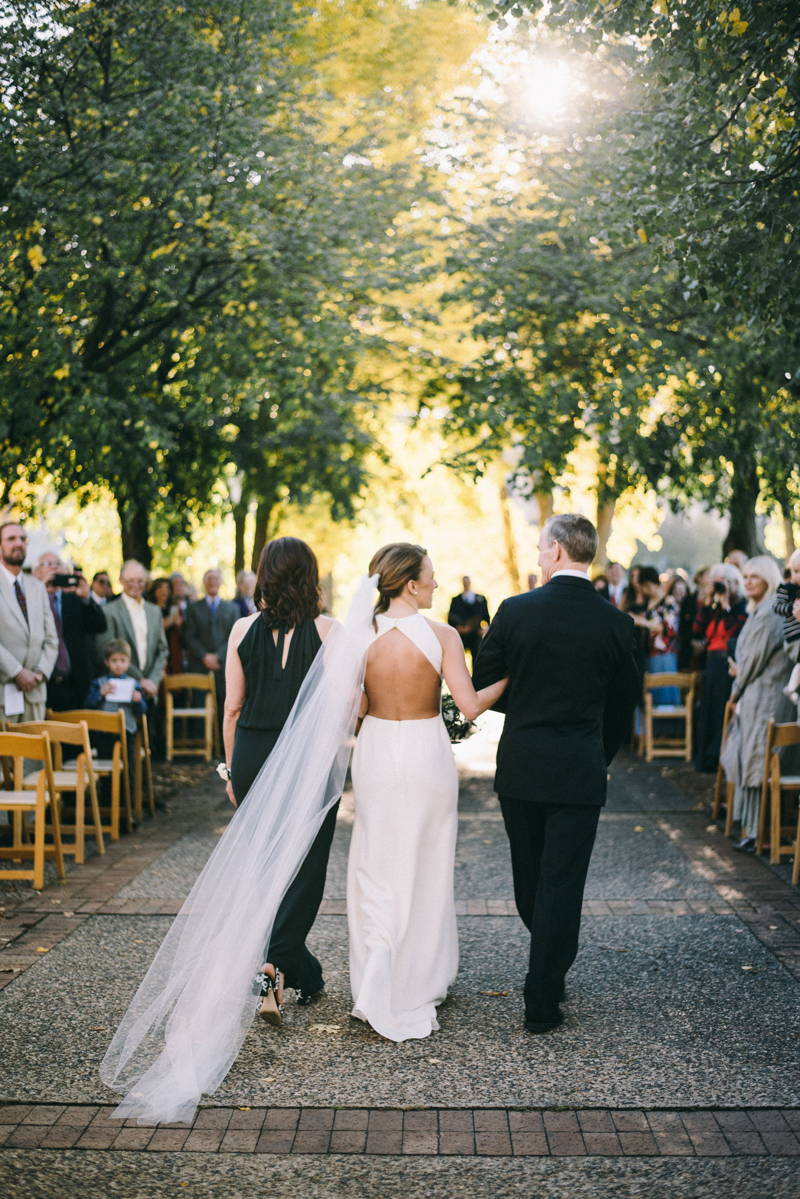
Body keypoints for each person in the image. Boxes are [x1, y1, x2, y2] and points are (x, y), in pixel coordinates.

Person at [473, 514, 639, 1033]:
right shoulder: (617, 623)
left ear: (560, 551)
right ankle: (551, 965)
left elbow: (486, 680)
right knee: (559, 885)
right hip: (579, 769)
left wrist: (529, 707)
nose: (539, 555)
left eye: (542, 547)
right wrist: (596, 751)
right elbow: (622, 708)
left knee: (531, 881)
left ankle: (540, 993)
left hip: (522, 765)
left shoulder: (516, 612)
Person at [348, 544, 506, 1042]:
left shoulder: (360, 635)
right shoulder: (442, 636)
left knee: (375, 860)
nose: (437, 585)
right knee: (427, 861)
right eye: (431, 578)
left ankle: (377, 969)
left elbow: (351, 709)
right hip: (425, 753)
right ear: (411, 585)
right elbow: (470, 705)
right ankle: (420, 974)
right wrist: (509, 676)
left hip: (374, 750)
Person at [223, 539, 339, 1012]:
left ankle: (301, 975)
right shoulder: (330, 631)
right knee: (306, 869)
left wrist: (231, 771)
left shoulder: (239, 630)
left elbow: (232, 706)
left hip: (251, 754)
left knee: (268, 866)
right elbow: (343, 706)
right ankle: (274, 964)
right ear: (310, 576)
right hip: (307, 761)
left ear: (264, 574)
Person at [730, 556, 793, 852]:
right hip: (759, 695)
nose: (748, 580)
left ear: (770, 578)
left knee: (761, 762)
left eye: (755, 575)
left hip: (765, 697)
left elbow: (752, 662)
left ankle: (761, 834)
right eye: (745, 576)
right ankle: (754, 830)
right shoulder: (762, 610)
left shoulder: (770, 613)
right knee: (757, 762)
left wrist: (735, 690)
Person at [33, 551, 107, 712]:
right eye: (47, 564)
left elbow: (100, 626)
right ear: (35, 573)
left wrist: (86, 598)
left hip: (77, 682)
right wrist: (40, 593)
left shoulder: (73, 598)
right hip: (44, 684)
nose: (54, 567)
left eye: (57, 564)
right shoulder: (32, 600)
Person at [0, 522, 58, 722]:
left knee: (35, 752)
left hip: (35, 691)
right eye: (11, 538)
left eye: (22, 539)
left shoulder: (37, 587)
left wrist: (39, 673)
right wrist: (17, 672)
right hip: (3, 689)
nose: (19, 543)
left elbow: (52, 638)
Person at [692, 563, 747, 772]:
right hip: (712, 663)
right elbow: (697, 629)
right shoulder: (713, 608)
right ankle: (706, 757)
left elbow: (732, 630)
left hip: (728, 663)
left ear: (734, 584)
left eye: (722, 582)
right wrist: (707, 602)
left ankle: (718, 755)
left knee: (721, 709)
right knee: (709, 709)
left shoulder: (741, 606)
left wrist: (725, 603)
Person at [96, 561, 169, 703]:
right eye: (130, 580)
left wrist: (152, 681)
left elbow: (163, 650)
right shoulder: (108, 611)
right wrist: (140, 680)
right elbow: (106, 650)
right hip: (121, 689)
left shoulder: (154, 611)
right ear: (121, 581)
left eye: (140, 581)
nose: (135, 584)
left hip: (151, 689)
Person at [184, 569, 239, 740]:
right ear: (204, 582)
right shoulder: (193, 608)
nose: (212, 582)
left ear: (221, 582)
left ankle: (224, 745)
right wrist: (204, 656)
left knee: (225, 705)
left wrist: (218, 656)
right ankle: (202, 742)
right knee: (200, 703)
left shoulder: (232, 608)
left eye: (216, 579)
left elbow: (235, 635)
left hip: (224, 666)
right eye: (208, 579)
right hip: (199, 665)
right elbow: (189, 636)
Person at [85, 638, 145, 791]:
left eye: (122, 660)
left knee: (127, 771)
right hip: (104, 735)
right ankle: (108, 808)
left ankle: (127, 809)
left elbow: (141, 711)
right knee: (107, 773)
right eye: (114, 660)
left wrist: (138, 700)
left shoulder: (134, 683)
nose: (118, 664)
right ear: (107, 662)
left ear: (128, 662)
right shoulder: (99, 683)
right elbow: (88, 706)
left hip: (127, 733)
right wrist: (100, 693)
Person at [447, 575, 490, 664]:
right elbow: (450, 619)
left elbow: (486, 617)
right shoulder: (456, 600)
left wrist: (485, 629)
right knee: (459, 660)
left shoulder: (480, 599)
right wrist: (460, 628)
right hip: (462, 637)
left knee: (477, 660)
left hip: (476, 636)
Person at [147, 577, 184, 676]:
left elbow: (184, 637)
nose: (164, 591)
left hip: (173, 651)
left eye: (167, 588)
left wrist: (180, 625)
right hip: (156, 652)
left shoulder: (176, 609)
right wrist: (161, 627)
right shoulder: (149, 610)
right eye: (160, 588)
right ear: (154, 591)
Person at [773, 549, 800, 648]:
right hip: (793, 635)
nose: (799, 576)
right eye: (796, 571)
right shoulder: (787, 588)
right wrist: (791, 608)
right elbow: (776, 606)